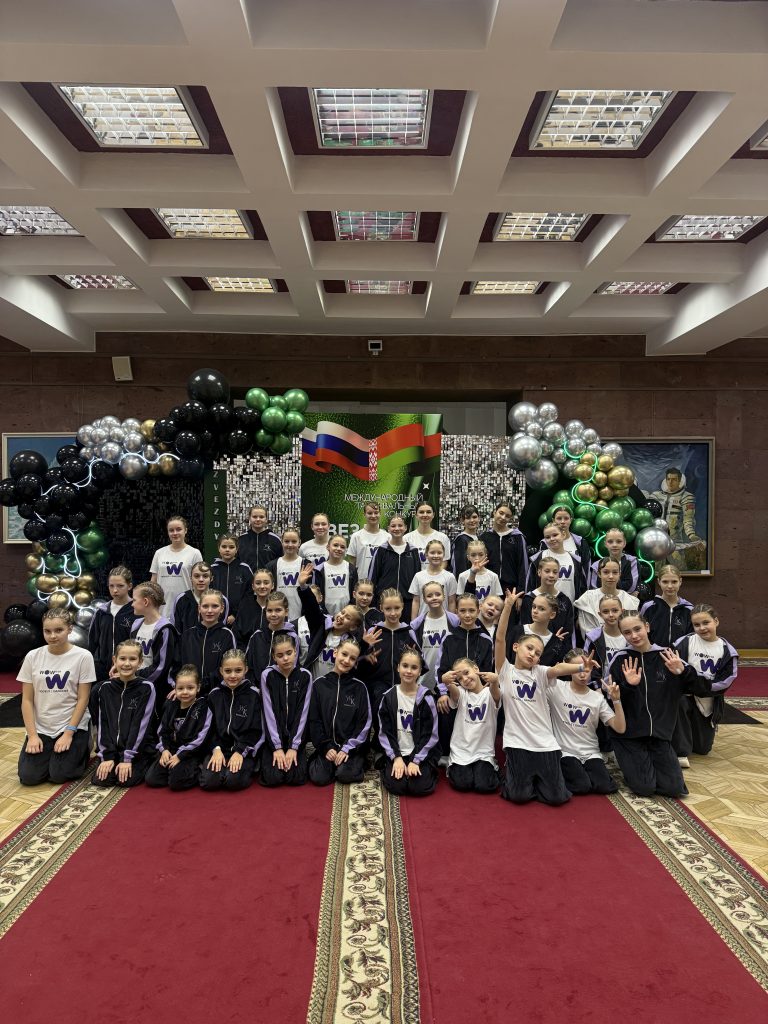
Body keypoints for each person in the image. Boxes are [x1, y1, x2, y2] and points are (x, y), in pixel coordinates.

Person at [494, 589, 598, 805]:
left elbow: (558, 669)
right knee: (519, 796)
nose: (533, 654)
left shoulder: (541, 673)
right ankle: (518, 776)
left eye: (538, 653)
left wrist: (581, 666)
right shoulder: (505, 670)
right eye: (529, 648)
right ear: (516, 647)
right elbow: (500, 638)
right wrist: (508, 606)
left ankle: (536, 780)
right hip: (517, 742)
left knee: (557, 798)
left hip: (545, 743)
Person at [608, 611, 711, 798]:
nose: (634, 636)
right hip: (629, 736)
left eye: (637, 629)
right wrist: (628, 685)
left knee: (674, 789)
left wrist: (683, 672)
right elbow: (610, 700)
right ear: (622, 634)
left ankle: (648, 763)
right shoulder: (620, 659)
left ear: (647, 627)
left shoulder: (668, 656)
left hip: (659, 735)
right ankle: (627, 759)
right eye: (627, 632)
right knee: (644, 788)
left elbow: (702, 689)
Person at [18, 608, 95, 786]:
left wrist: (68, 733)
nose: (52, 636)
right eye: (47, 631)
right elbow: (27, 700)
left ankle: (83, 745)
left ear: (70, 629)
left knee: (59, 774)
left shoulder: (83, 657)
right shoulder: (32, 656)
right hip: (43, 726)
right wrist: (32, 735)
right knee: (29, 777)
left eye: (59, 630)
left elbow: (83, 699)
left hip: (71, 724)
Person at [547, 649, 625, 795]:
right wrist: (560, 668)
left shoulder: (597, 698)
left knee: (605, 787)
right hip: (566, 752)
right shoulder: (556, 688)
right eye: (578, 668)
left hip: (591, 752)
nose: (582, 674)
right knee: (581, 786)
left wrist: (616, 700)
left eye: (586, 669)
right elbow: (548, 673)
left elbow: (620, 728)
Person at [672, 604, 738, 765]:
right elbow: (673, 672)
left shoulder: (728, 651)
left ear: (716, 621)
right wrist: (689, 684)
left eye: (706, 622)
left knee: (703, 749)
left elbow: (723, 683)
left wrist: (697, 685)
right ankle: (681, 751)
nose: (701, 628)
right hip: (684, 697)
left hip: (707, 700)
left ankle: (694, 734)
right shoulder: (683, 643)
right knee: (678, 701)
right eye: (696, 624)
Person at [91, 639, 156, 788]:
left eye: (132, 659)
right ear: (114, 660)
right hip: (112, 749)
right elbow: (102, 724)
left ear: (140, 662)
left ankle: (145, 762)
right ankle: (113, 759)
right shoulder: (104, 689)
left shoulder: (147, 688)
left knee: (126, 780)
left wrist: (127, 758)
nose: (127, 663)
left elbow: (141, 725)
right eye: (122, 658)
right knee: (102, 780)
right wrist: (107, 756)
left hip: (136, 749)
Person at [308, 638, 372, 786]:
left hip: (350, 748)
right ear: (335, 653)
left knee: (344, 774)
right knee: (319, 778)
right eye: (344, 654)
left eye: (352, 658)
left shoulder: (360, 688)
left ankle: (358, 761)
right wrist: (326, 747)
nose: (346, 660)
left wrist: (347, 748)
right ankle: (324, 759)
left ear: (356, 662)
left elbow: (364, 723)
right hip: (327, 745)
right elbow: (314, 720)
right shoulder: (319, 685)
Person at [378, 647, 440, 796]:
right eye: (405, 666)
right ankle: (388, 764)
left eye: (414, 667)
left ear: (420, 671)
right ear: (398, 667)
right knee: (397, 787)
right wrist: (396, 758)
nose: (409, 671)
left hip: (420, 752)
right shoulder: (388, 697)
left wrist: (415, 760)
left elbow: (430, 735)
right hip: (397, 751)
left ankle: (428, 769)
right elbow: (385, 733)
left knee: (419, 788)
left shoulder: (426, 698)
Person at [200, 649, 263, 791]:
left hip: (244, 749)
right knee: (210, 782)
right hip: (219, 749)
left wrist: (240, 751)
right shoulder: (214, 695)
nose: (233, 675)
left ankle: (249, 766)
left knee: (232, 782)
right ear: (221, 671)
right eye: (228, 671)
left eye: (238, 670)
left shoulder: (254, 695)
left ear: (246, 670)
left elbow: (257, 730)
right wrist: (215, 749)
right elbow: (208, 729)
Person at [145, 665, 212, 790]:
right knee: (152, 779)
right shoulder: (171, 705)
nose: (185, 692)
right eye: (180, 688)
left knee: (176, 783)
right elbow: (162, 731)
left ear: (198, 688)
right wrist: (164, 750)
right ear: (175, 688)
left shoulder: (203, 707)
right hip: (171, 750)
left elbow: (201, 738)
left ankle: (196, 769)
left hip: (190, 753)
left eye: (190, 688)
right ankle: (174, 771)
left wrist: (180, 756)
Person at [259, 632, 313, 787]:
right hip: (273, 739)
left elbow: (303, 713)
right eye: (280, 655)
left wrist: (293, 747)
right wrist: (277, 747)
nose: (285, 658)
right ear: (274, 657)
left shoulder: (305, 676)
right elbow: (268, 712)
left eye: (289, 653)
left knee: (296, 778)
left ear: (295, 651)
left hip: (296, 738)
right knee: (272, 779)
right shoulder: (267, 675)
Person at [444, 657, 500, 793]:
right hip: (461, 752)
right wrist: (447, 682)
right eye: (460, 678)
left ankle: (491, 766)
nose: (465, 679)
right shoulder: (461, 693)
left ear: (476, 669)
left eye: (466, 672)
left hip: (483, 753)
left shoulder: (490, 693)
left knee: (485, 786)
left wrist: (495, 681)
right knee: (462, 784)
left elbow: (496, 695)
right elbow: (454, 693)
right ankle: (451, 765)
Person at [177, 590, 237, 694]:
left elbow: (229, 667)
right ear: (199, 608)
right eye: (205, 606)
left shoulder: (227, 635)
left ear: (222, 608)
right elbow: (177, 664)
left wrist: (203, 684)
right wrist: (181, 685)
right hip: (189, 692)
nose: (209, 610)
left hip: (217, 693)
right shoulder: (188, 635)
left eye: (215, 606)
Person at [648, 467, 706, 571]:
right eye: (668, 479)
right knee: (655, 572)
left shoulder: (686, 497)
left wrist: (692, 535)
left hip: (675, 542)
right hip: (657, 542)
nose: (670, 482)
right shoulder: (655, 496)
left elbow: (688, 519)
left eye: (674, 479)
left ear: (679, 481)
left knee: (680, 570)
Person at [129, 581, 179, 703]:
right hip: (134, 683)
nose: (132, 604)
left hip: (155, 689)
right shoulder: (136, 624)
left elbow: (161, 668)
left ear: (145, 602)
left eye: (134, 600)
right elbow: (129, 652)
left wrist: (135, 678)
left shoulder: (165, 629)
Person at [87, 565, 135, 683]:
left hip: (128, 669)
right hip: (103, 669)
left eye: (120, 586)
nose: (115, 590)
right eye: (111, 586)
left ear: (129, 586)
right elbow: (92, 641)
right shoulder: (102, 611)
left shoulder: (136, 611)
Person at [409, 581, 457, 693]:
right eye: (429, 596)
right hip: (423, 680)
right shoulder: (416, 625)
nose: (434, 598)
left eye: (438, 594)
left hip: (447, 681)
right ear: (424, 599)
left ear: (444, 596)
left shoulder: (455, 621)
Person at [368, 515, 421, 615]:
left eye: (400, 525)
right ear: (388, 528)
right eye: (393, 526)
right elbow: (372, 578)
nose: (397, 528)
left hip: (407, 603)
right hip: (385, 602)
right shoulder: (381, 550)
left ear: (405, 528)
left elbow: (417, 577)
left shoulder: (413, 551)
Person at [150, 514, 203, 614]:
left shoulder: (195, 553)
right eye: (171, 530)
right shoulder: (159, 553)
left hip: (186, 606)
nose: (175, 533)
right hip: (162, 607)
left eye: (178, 529)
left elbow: (200, 581)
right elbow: (153, 581)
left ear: (185, 530)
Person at [573, 557, 639, 637]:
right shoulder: (587, 599)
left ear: (619, 574)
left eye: (615, 572)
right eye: (606, 572)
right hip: (595, 643)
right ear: (599, 574)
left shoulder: (630, 601)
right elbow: (588, 631)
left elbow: (631, 630)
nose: (611, 576)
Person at [519, 554, 575, 644]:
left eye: (555, 572)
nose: (551, 575)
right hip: (534, 646)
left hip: (558, 648)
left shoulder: (564, 600)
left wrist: (555, 642)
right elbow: (526, 627)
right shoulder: (529, 599)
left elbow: (568, 631)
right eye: (547, 571)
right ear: (539, 572)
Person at [244, 591, 298, 681]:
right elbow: (248, 664)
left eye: (278, 610)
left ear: (286, 611)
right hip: (257, 687)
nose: (273, 614)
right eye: (269, 610)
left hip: (281, 687)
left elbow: (294, 666)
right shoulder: (257, 636)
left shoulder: (292, 637)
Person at [527, 522, 586, 604]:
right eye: (547, 537)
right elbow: (530, 584)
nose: (551, 539)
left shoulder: (575, 560)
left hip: (568, 607)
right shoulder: (538, 558)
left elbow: (582, 587)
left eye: (555, 535)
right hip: (543, 607)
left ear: (563, 535)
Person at [506, 593, 569, 667]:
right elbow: (504, 658)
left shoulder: (556, 643)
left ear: (552, 615)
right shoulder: (516, 631)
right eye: (534, 607)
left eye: (541, 609)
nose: (535, 611)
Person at [479, 502, 528, 593]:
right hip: (489, 587)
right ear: (494, 512)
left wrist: (521, 593)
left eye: (507, 516)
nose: (503, 517)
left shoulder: (517, 537)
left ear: (510, 518)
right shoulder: (484, 537)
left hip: (510, 589)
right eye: (501, 513)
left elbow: (523, 566)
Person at [640, 564, 692, 648]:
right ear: (659, 582)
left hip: (680, 655)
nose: (670, 586)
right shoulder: (648, 607)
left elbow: (692, 638)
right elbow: (641, 633)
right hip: (653, 654)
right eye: (665, 582)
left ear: (680, 581)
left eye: (674, 582)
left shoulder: (689, 609)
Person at [170, 561, 228, 634]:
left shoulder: (221, 599)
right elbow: (176, 630)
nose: (201, 580)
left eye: (205, 576)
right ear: (191, 578)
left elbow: (220, 629)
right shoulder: (181, 599)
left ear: (211, 578)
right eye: (196, 576)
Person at [582, 595, 628, 684]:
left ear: (622, 611)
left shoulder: (630, 636)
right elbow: (588, 666)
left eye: (615, 610)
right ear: (600, 614)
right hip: (600, 688)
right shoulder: (593, 638)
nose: (611, 615)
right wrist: (598, 687)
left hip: (626, 687)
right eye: (606, 611)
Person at [265, 527, 307, 621]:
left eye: (294, 541)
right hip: (278, 618)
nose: (290, 545)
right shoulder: (271, 566)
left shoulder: (306, 564)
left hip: (301, 617)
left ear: (299, 542)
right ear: (282, 542)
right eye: (287, 541)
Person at [409, 540, 457, 619]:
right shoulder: (418, 576)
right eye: (432, 552)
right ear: (426, 555)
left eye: (439, 553)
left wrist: (451, 621)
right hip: (423, 621)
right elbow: (416, 601)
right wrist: (413, 622)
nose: (436, 555)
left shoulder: (449, 577)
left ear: (444, 555)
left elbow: (451, 601)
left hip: (443, 621)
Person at [211, 533, 253, 623]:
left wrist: (235, 614)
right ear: (218, 548)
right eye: (224, 547)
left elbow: (249, 594)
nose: (227, 550)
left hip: (240, 618)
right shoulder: (212, 569)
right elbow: (208, 593)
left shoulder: (244, 569)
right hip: (216, 617)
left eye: (231, 547)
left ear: (237, 549)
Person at [315, 534, 358, 615]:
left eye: (342, 547)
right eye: (335, 545)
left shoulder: (351, 568)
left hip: (346, 615)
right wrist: (326, 615)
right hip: (325, 615)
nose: (339, 549)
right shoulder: (319, 569)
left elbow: (355, 594)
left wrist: (347, 613)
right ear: (328, 547)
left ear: (346, 550)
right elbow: (316, 594)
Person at [233, 568, 275, 648]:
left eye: (266, 583)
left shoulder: (277, 608)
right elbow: (237, 636)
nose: (262, 586)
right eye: (258, 583)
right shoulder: (245, 608)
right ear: (253, 586)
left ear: (272, 585)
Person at [347, 501, 389, 580]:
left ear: (380, 514)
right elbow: (352, 563)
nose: (373, 516)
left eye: (376, 513)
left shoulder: (388, 537)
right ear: (364, 514)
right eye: (369, 513)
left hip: (381, 582)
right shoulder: (356, 536)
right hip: (361, 583)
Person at [589, 527, 639, 593]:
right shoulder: (596, 565)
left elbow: (630, 587)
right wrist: (621, 585)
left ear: (624, 543)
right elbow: (595, 590)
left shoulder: (632, 561)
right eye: (610, 542)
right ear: (605, 544)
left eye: (619, 541)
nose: (614, 545)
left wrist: (606, 585)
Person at [404, 501, 451, 569]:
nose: (425, 515)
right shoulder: (406, 538)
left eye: (428, 512)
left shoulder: (443, 538)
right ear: (416, 515)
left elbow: (444, 561)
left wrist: (434, 574)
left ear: (433, 515)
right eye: (421, 512)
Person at [237, 504, 283, 572]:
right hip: (246, 578)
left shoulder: (275, 540)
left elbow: (281, 562)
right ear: (249, 518)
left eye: (261, 517)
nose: (258, 519)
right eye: (254, 517)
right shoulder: (241, 539)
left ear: (266, 519)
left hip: (268, 578)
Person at [450, 504, 481, 577]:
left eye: (474, 517)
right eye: (468, 518)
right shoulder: (461, 540)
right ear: (462, 520)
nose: (472, 520)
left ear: (479, 518)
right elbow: (460, 567)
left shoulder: (479, 538)